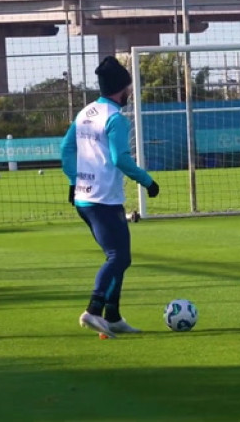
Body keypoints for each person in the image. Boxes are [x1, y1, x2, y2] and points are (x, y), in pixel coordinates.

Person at [61, 56, 160, 339]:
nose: (130, 92)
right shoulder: (115, 118)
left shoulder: (85, 113)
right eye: (128, 87)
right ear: (122, 88)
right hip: (104, 199)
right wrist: (148, 181)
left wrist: (73, 180)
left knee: (119, 257)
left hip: (84, 199)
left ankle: (113, 316)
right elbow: (120, 159)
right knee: (118, 256)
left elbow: (65, 150)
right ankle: (93, 310)